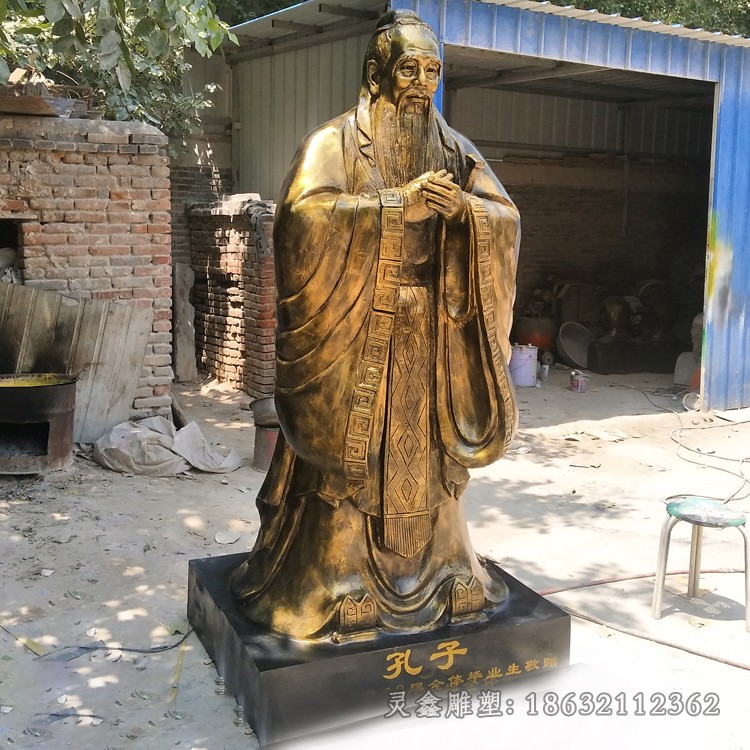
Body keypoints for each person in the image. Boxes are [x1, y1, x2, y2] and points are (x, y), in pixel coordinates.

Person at [231, 10, 521, 641]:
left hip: (434, 337)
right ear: (376, 73)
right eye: (409, 69)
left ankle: (445, 569)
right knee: (349, 467)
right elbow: (303, 221)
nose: (422, 84)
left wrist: (464, 213)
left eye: (433, 71)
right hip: (358, 333)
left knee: (432, 465)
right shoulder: (331, 144)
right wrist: (396, 206)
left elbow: (505, 217)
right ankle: (335, 576)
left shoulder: (455, 150)